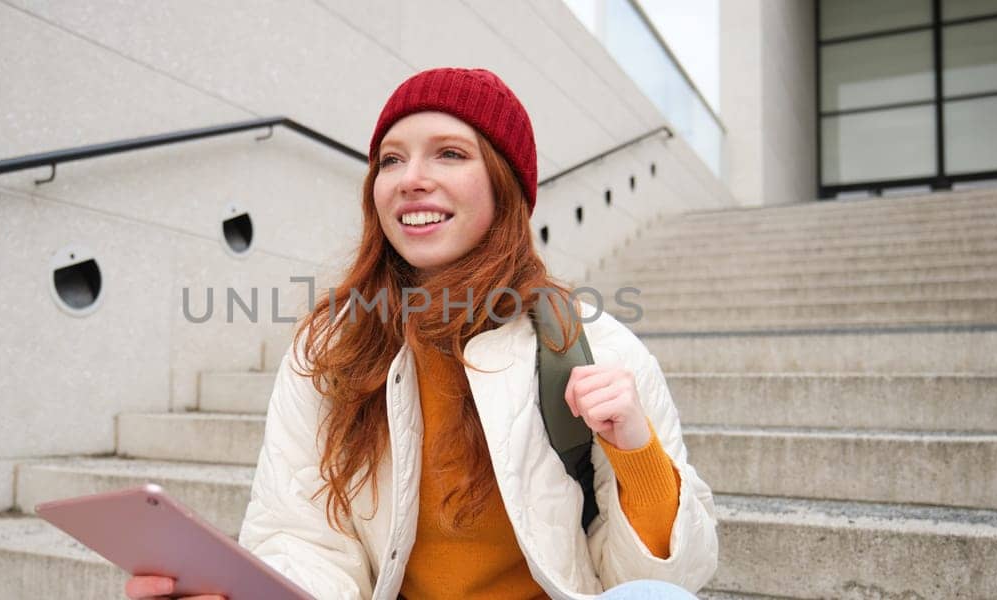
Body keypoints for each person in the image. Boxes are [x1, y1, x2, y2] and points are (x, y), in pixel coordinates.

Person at [127, 67, 717, 600]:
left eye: (450, 154)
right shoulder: (331, 349)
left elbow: (659, 582)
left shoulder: (595, 348)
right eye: (391, 159)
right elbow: (304, 540)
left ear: (504, 185)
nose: (411, 179)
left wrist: (637, 452)